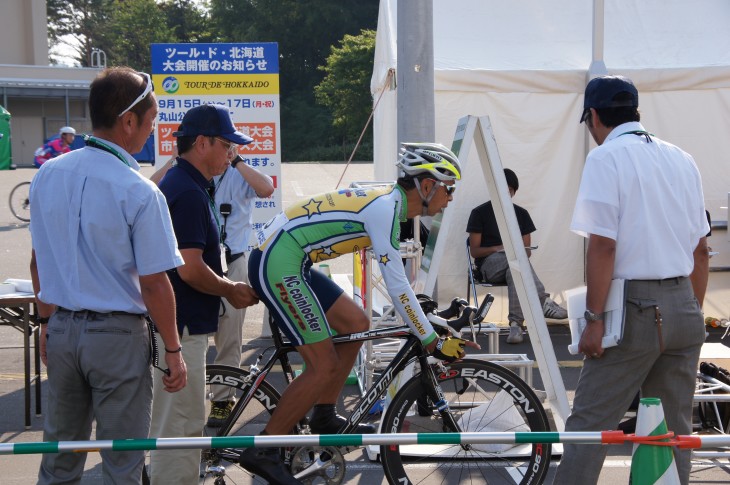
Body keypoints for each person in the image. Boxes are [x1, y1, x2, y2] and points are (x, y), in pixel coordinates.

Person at [243, 142, 478, 484]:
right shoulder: (385, 209)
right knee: (323, 364)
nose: (451, 198)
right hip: (278, 260)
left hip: (294, 258)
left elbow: (400, 284)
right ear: (427, 186)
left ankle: (324, 416)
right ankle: (263, 449)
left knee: (356, 322)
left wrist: (424, 324)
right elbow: (397, 286)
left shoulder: (391, 203)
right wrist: (430, 339)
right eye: (449, 188)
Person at [29, 67, 187, 484]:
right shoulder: (138, 189)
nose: (150, 133)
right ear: (129, 120)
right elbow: (154, 282)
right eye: (150, 122)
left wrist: (47, 322)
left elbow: (38, 260)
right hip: (116, 337)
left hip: (62, 329)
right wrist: (173, 349)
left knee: (59, 457)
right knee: (123, 462)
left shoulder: (48, 174)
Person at [554, 75, 710, 485]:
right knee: (673, 432)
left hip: (633, 310)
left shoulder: (606, 158)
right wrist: (691, 308)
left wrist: (594, 318)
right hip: (684, 304)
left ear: (593, 116)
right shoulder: (682, 157)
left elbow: (603, 246)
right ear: (636, 111)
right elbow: (700, 249)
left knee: (590, 427)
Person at [148, 104, 260, 485]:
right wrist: (232, 289)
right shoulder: (188, 192)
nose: (230, 153)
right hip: (181, 331)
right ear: (201, 143)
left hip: (179, 326)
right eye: (226, 144)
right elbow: (190, 268)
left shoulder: (185, 184)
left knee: (182, 423)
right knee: (180, 426)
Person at [466, 168, 567, 344]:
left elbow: (526, 251)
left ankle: (515, 325)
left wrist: (512, 252)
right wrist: (499, 248)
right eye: (501, 188)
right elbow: (474, 251)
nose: (506, 193)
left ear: (514, 191)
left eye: (510, 190)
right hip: (488, 266)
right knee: (515, 262)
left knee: (515, 269)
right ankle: (542, 300)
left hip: (514, 265)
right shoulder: (479, 213)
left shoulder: (521, 214)